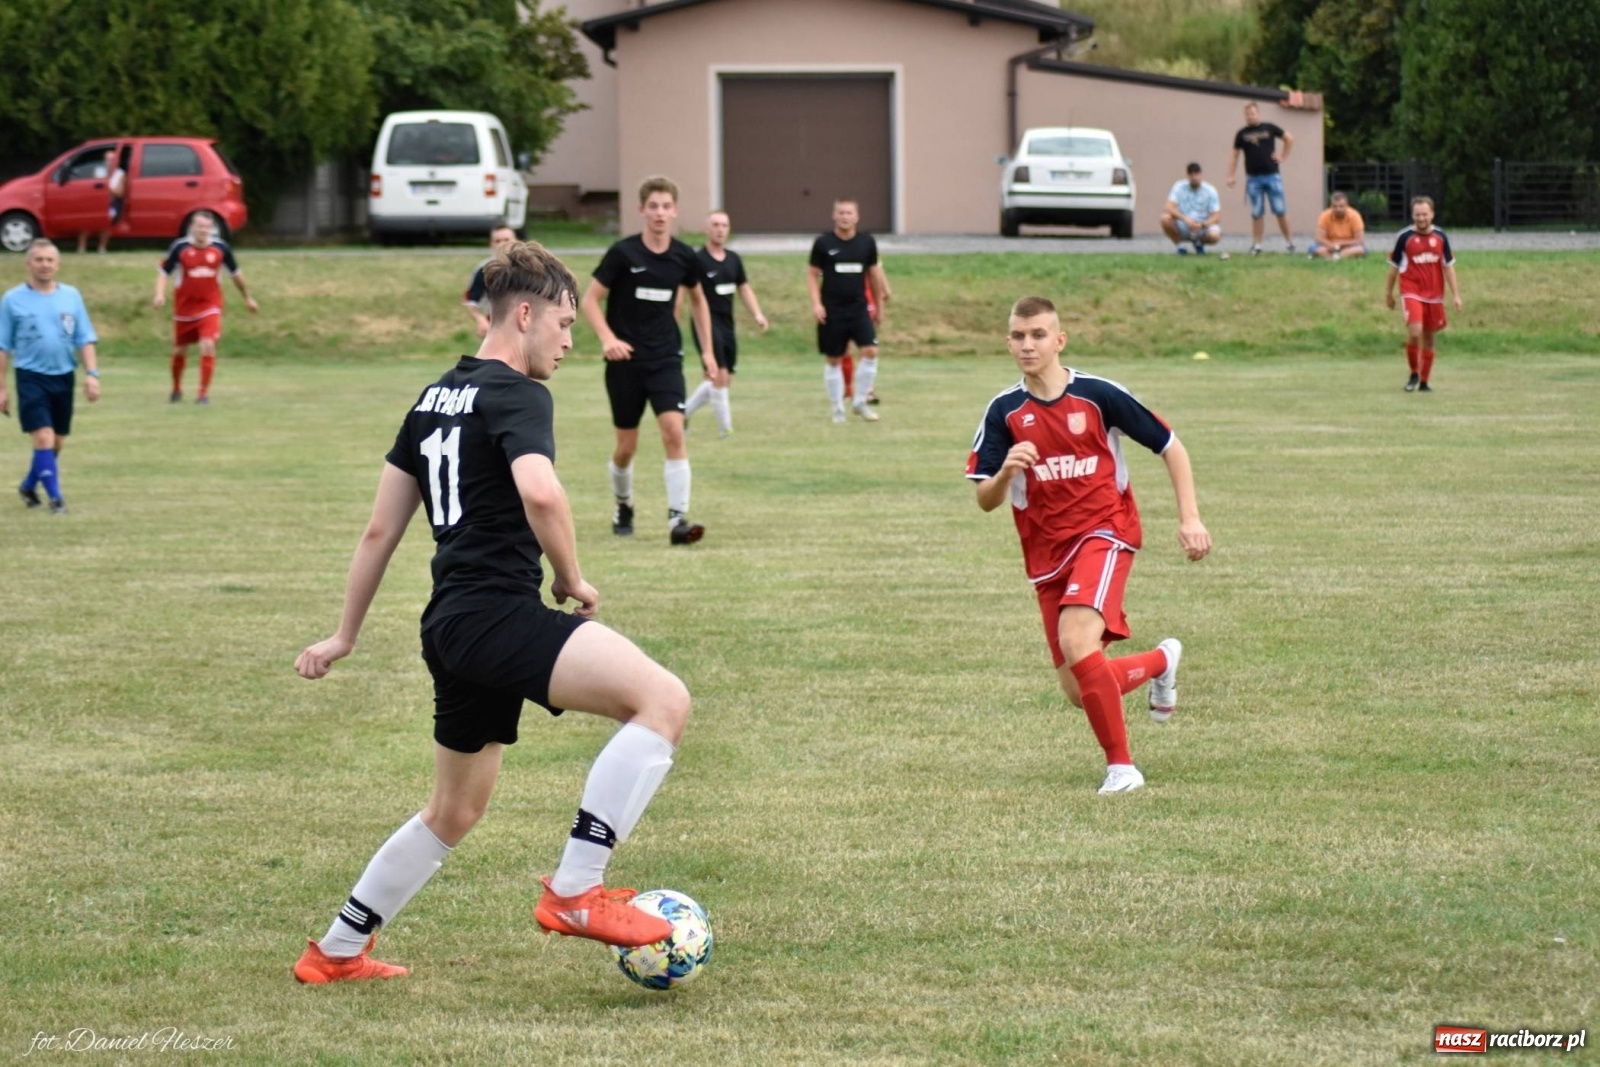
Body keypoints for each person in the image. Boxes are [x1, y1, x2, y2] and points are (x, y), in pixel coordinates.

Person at [291, 240, 692, 984]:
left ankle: (335, 952)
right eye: (564, 325)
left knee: (454, 810)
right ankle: (576, 890)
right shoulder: (519, 393)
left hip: (448, 625)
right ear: (525, 315)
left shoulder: (431, 398)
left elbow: (380, 530)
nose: (570, 342)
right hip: (495, 614)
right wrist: (571, 578)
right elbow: (540, 491)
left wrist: (346, 634)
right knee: (663, 700)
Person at [966, 296, 1211, 794]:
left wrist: (1190, 518)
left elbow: (1170, 446)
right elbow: (985, 499)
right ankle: (1161, 661)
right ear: (1008, 342)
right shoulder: (1003, 411)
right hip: (1046, 555)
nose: (1027, 344)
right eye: (1018, 336)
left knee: (1078, 641)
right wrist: (1007, 470)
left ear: (1059, 340)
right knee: (1081, 690)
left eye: (1038, 335)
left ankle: (1123, 769)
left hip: (1106, 531)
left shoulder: (1098, 395)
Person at [580, 176, 717, 545]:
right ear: (641, 210)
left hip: (665, 359)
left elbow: (699, 301)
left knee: (674, 432)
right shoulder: (622, 254)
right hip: (625, 363)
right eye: (653, 206)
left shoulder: (684, 256)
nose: (659, 213)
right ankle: (623, 504)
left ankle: (677, 521)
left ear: (675, 211)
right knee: (626, 448)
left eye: (666, 206)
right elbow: (589, 300)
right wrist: (608, 339)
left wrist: (707, 351)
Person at [0, 239, 101, 515]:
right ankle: (56, 499)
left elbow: (84, 337)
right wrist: (2, 388)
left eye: (49, 260)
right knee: (43, 437)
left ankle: (28, 485)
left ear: (58, 264)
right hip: (31, 376)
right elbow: (3, 346)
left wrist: (92, 374)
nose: (44, 265)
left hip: (64, 375)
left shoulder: (71, 296)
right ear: (28, 264)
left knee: (56, 441)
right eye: (38, 260)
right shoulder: (12, 299)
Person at [153, 212, 259, 404]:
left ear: (211, 229)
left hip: (210, 305)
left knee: (208, 344)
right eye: (199, 226)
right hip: (184, 308)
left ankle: (203, 394)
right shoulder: (180, 247)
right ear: (192, 227)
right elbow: (163, 272)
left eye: (207, 227)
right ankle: (176, 388)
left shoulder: (220, 248)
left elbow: (236, 274)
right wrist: (159, 294)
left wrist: (248, 298)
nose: (203, 230)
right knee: (179, 350)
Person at [684, 210, 767, 438]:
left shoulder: (733, 259)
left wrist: (757, 314)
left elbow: (744, 288)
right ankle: (726, 429)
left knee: (725, 379)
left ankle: (684, 413)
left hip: (727, 325)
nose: (720, 230)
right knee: (718, 376)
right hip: (705, 325)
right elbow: (685, 291)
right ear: (706, 229)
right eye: (715, 225)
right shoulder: (697, 260)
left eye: (724, 225)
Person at [808, 199, 891, 423]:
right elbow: (812, 274)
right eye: (841, 213)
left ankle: (860, 401)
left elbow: (874, 275)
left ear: (857, 217)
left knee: (871, 351)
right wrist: (816, 304)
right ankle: (837, 409)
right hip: (832, 310)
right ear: (834, 215)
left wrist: (879, 307)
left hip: (858, 308)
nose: (845, 217)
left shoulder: (866, 243)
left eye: (849, 213)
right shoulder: (823, 243)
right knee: (834, 358)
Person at [1385, 196, 1461, 393]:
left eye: (1424, 214)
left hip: (1434, 294)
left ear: (1432, 214)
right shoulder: (1404, 237)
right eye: (1417, 215)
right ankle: (1413, 374)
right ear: (1412, 215)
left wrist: (1456, 295)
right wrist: (1389, 293)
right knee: (1415, 331)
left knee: (1429, 338)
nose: (1421, 218)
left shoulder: (1441, 237)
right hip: (1411, 291)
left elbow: (1448, 267)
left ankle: (1425, 382)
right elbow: (1393, 269)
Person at [1226, 102, 1295, 255]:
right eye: (1247, 114)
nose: (1250, 116)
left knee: (1280, 210)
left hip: (1272, 176)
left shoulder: (1269, 128)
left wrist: (1283, 156)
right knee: (1257, 212)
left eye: (1253, 113)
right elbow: (1234, 156)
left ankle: (1289, 243)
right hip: (1253, 179)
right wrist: (1231, 175)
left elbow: (1289, 138)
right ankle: (1257, 245)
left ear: (1258, 113)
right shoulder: (1241, 134)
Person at [463, 223, 518, 339]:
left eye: (506, 240)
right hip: (497, 326)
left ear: (516, 241)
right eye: (497, 241)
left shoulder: (530, 267)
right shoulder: (485, 270)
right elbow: (470, 301)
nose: (502, 244)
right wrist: (481, 320)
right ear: (491, 244)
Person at [1160, 163, 1222, 255]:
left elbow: (1216, 217)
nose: (1194, 177)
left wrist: (1202, 225)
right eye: (1191, 174)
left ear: (1201, 174)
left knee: (1214, 236)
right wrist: (1185, 218)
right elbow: (1168, 207)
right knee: (1165, 218)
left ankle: (1199, 243)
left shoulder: (1210, 190)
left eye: (1196, 174)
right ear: (1188, 176)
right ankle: (1180, 246)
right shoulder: (1179, 187)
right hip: (1184, 224)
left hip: (1202, 226)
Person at [77, 148, 126, 255]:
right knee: (85, 221)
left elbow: (120, 192)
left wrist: (106, 187)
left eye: (112, 159)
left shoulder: (120, 174)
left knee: (107, 223)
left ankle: (102, 248)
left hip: (111, 203)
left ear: (117, 161)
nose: (110, 162)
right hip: (94, 201)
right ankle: (81, 248)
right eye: (108, 159)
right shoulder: (98, 171)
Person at [1309, 191, 1367, 260]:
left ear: (1346, 205)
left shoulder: (1355, 216)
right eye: (1335, 206)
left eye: (1341, 206)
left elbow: (1360, 240)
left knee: (1360, 249)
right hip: (1328, 245)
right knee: (1313, 247)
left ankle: (1334, 257)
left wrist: (1341, 244)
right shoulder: (1324, 216)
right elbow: (1318, 238)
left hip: (1348, 246)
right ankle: (1335, 257)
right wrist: (1330, 245)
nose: (1338, 209)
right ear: (1331, 206)